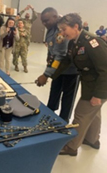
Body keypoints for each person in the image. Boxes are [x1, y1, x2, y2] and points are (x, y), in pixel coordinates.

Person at [36, 13, 107, 156]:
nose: (61, 33)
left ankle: (71, 147)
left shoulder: (92, 42)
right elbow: (67, 61)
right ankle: (92, 140)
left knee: (81, 115)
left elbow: (105, 70)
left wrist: (99, 95)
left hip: (98, 86)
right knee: (94, 113)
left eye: (64, 29)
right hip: (89, 84)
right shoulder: (75, 41)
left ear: (76, 26)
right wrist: (48, 75)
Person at [36, 7, 79, 122]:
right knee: (54, 92)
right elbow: (52, 48)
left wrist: (46, 75)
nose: (44, 24)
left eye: (46, 20)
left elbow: (59, 55)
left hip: (70, 70)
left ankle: (63, 122)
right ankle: (49, 115)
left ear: (55, 17)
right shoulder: (52, 28)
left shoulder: (61, 29)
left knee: (67, 98)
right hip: (57, 69)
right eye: (42, 21)